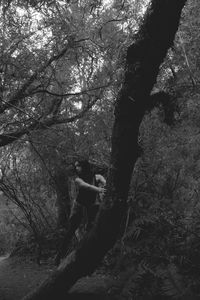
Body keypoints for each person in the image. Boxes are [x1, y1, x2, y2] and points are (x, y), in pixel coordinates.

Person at [55, 159, 106, 266]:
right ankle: (59, 256)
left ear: (84, 166)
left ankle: (88, 258)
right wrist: (99, 190)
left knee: (90, 231)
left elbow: (105, 184)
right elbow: (85, 186)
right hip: (79, 207)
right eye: (76, 166)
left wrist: (103, 187)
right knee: (70, 231)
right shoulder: (77, 179)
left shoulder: (97, 177)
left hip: (91, 207)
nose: (76, 168)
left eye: (78, 166)